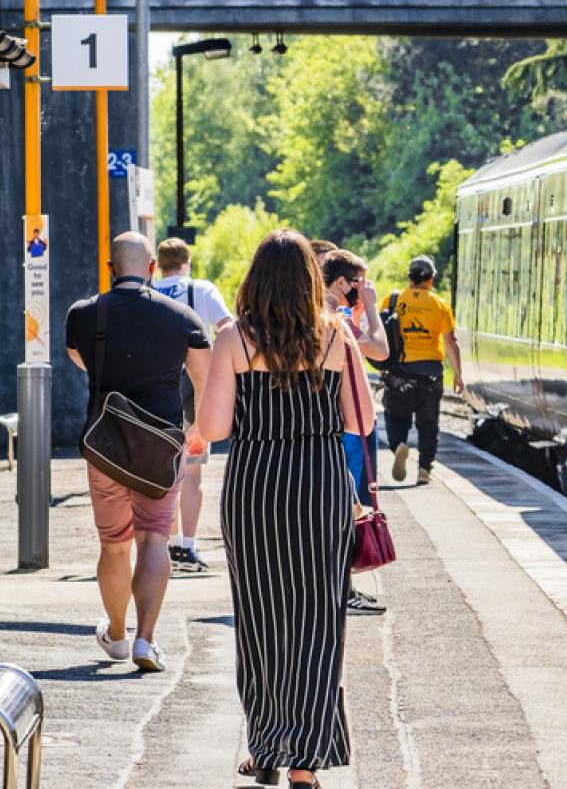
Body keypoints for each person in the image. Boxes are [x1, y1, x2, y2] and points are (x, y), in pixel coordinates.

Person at [192, 230, 360, 786]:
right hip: (319, 486)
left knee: (261, 618)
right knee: (317, 621)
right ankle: (305, 761)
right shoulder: (337, 338)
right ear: (312, 282)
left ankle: (266, 745)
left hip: (257, 485)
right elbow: (361, 423)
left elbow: (213, 428)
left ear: (255, 281)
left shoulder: (235, 341)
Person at [64, 232, 211, 673]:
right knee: (154, 539)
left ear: (111, 269)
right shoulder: (182, 317)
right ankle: (146, 640)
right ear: (151, 268)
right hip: (161, 449)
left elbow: (79, 359)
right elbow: (201, 380)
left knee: (113, 545)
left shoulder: (84, 314)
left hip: (105, 446)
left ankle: (116, 633)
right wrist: (198, 430)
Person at [151, 237, 234, 573]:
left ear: (158, 263)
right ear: (186, 262)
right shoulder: (201, 290)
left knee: (163, 473)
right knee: (193, 473)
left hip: (156, 393)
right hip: (195, 392)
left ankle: (166, 545)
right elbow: (228, 328)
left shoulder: (149, 291)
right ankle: (188, 546)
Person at [318, 247, 389, 617]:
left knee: (340, 507)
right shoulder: (335, 319)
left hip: (326, 425)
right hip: (342, 426)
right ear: (343, 282)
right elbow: (380, 348)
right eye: (359, 283)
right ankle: (340, 588)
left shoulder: (319, 312)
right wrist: (371, 308)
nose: (363, 289)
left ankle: (336, 586)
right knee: (346, 508)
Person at [384, 255, 462, 486]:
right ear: (432, 278)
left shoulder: (393, 300)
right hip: (431, 372)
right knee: (428, 423)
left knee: (396, 417)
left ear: (409, 277)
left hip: (400, 371)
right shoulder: (439, 304)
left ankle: (399, 444)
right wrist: (457, 374)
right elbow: (450, 341)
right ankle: (424, 469)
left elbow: (383, 334)